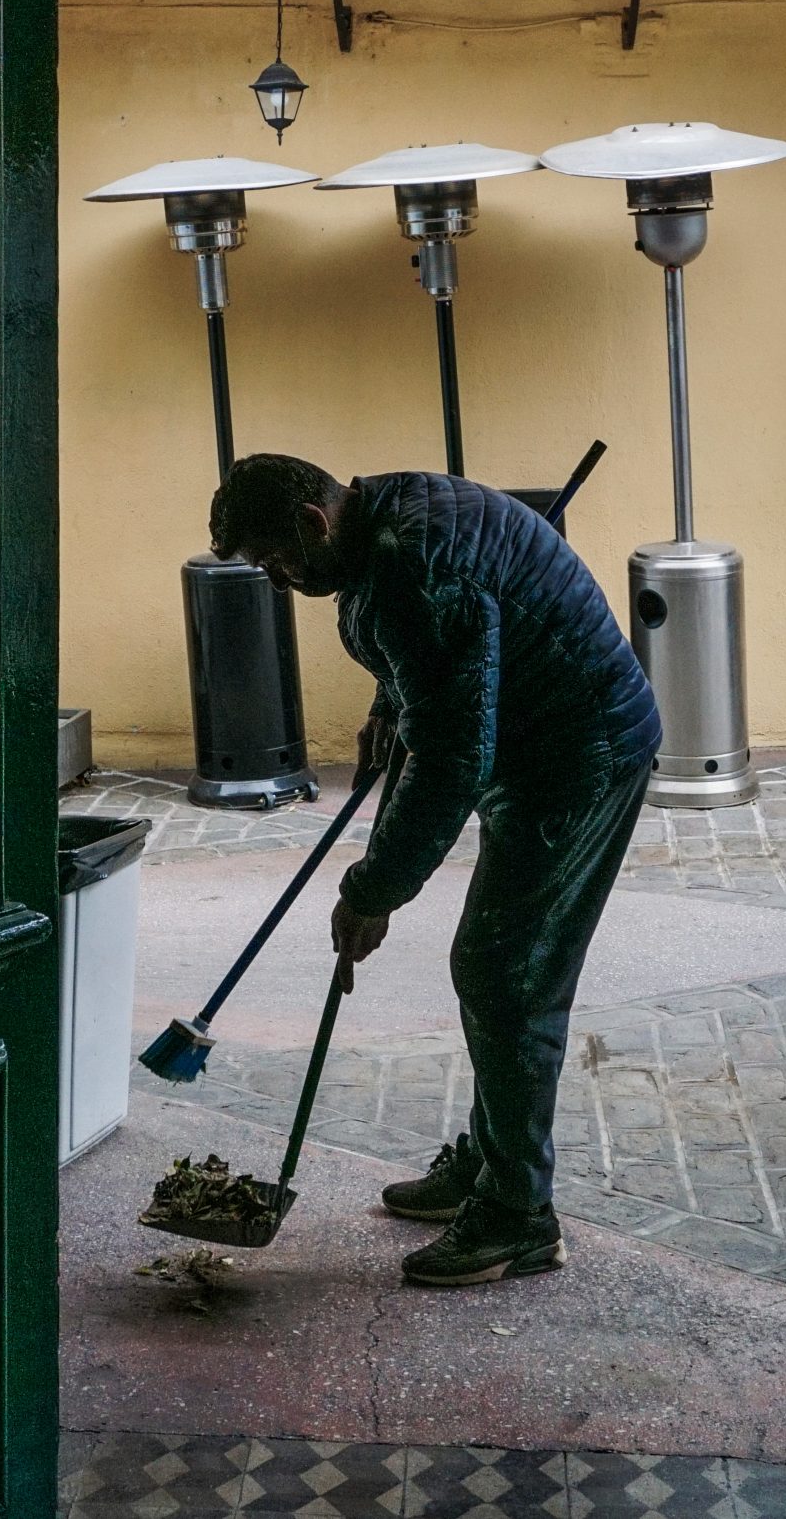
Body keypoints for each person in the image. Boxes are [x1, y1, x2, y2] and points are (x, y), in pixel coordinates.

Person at [209, 454, 660, 1286]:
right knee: (498, 967)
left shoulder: (412, 566)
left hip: (581, 750)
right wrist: (393, 699)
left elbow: (453, 756)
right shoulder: (385, 513)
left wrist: (373, 890)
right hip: (532, 741)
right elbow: (447, 667)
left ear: (314, 523)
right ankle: (494, 1164)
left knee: (504, 971)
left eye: (275, 563)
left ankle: (519, 1215)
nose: (276, 583)